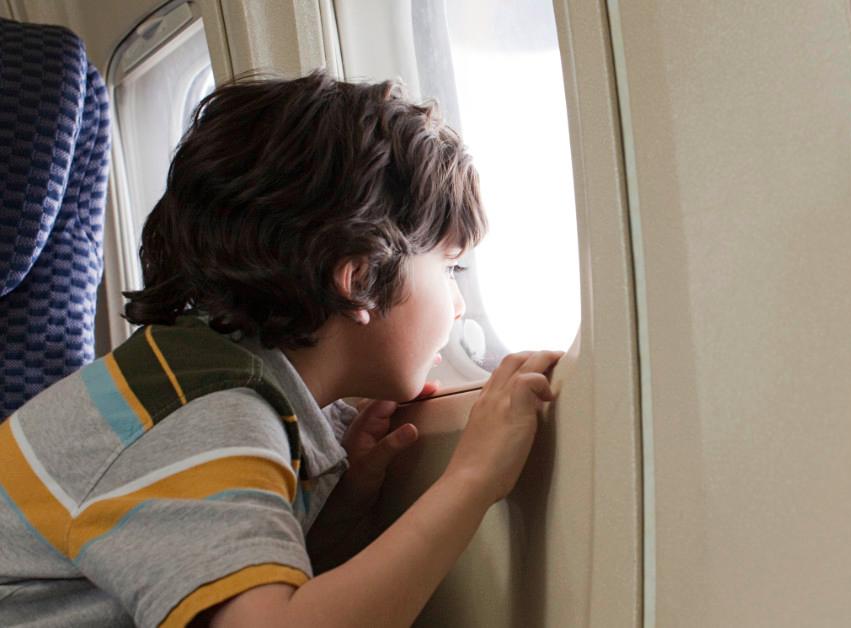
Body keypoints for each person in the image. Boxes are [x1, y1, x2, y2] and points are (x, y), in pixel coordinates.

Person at [0, 72, 562, 627]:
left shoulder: (210, 378)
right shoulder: (202, 416)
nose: (459, 306)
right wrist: (473, 478)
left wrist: (348, 500)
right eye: (450, 267)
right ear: (360, 277)